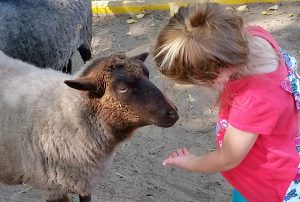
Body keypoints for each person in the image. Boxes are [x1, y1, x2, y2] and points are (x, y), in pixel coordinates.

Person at [154, 2, 300, 202]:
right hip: (273, 155)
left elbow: (228, 158)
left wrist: (192, 162)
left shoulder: (253, 100)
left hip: (269, 187)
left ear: (215, 74)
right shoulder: (252, 37)